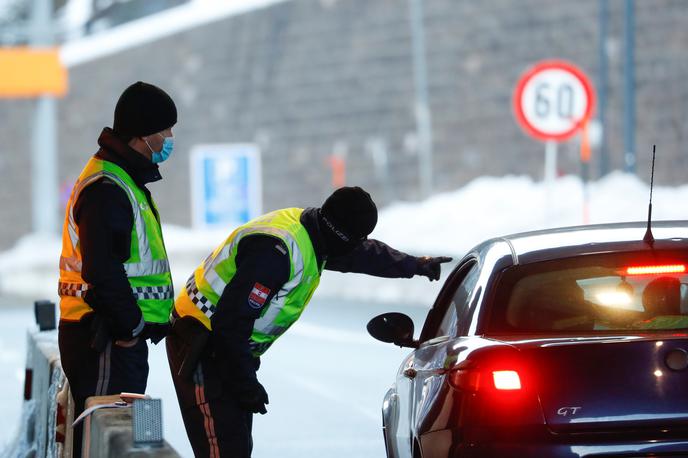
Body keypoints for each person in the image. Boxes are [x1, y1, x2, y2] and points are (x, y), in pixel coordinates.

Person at [166, 186, 452, 457]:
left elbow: (363, 255)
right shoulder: (275, 253)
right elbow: (231, 323)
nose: (360, 245)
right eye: (357, 238)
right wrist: (245, 384)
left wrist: (414, 265)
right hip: (201, 342)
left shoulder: (317, 232)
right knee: (223, 447)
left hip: (227, 346)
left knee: (237, 444)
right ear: (342, 236)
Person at [57, 81, 177, 454]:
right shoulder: (108, 187)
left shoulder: (124, 179)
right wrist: (131, 325)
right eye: (165, 131)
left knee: (127, 428)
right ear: (143, 136)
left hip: (119, 337)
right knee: (117, 431)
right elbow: (102, 269)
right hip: (106, 337)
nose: (170, 138)